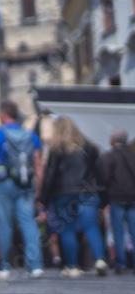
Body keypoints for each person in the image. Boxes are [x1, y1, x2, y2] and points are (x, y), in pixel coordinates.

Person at [38, 117, 105, 277]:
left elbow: (50, 175)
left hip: (63, 193)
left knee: (67, 229)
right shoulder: (88, 147)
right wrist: (103, 196)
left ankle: (72, 266)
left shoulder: (57, 148)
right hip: (87, 192)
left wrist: (43, 199)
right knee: (91, 226)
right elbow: (99, 172)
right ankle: (100, 259)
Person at [0, 101, 44, 278]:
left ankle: (3, 265)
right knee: (28, 223)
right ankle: (36, 265)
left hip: (2, 183)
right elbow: (38, 165)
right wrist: (39, 190)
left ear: (3, 115)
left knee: (4, 224)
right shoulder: (31, 135)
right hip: (25, 183)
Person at [97, 128, 135, 274]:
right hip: (133, 197)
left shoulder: (110, 156)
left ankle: (121, 263)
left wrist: (103, 201)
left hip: (117, 197)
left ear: (114, 140)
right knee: (134, 230)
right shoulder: (132, 155)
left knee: (118, 231)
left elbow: (104, 179)